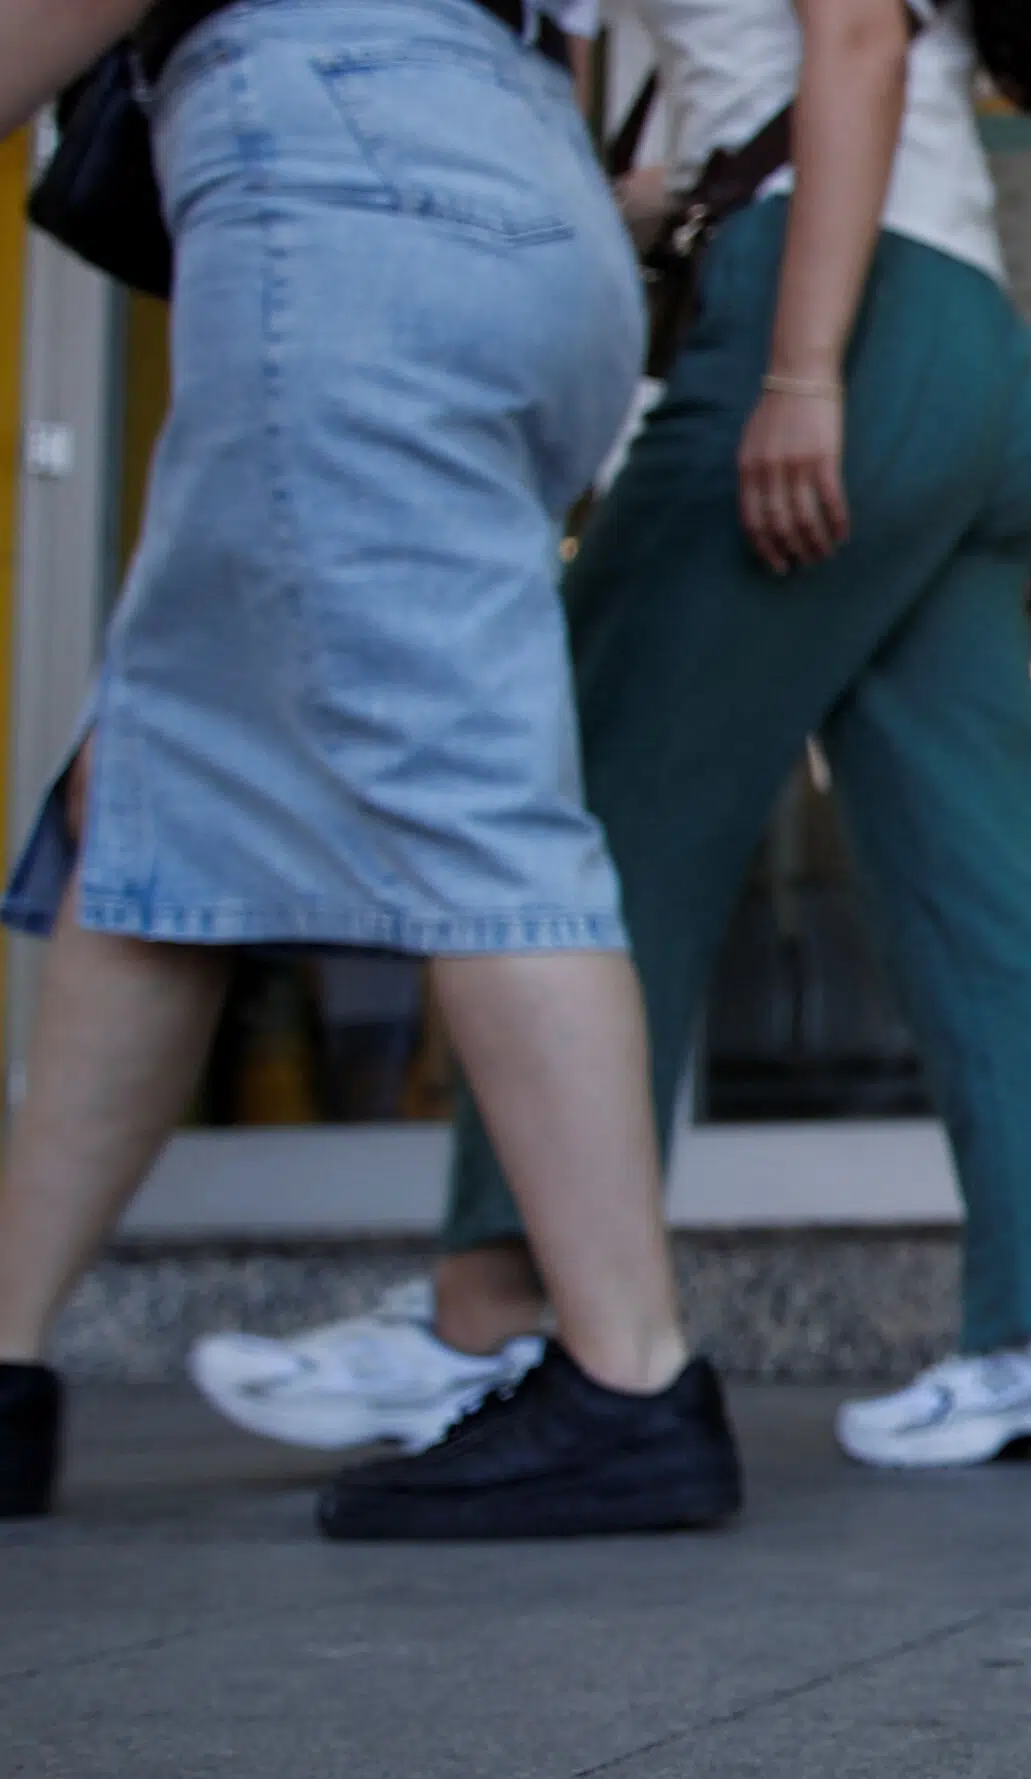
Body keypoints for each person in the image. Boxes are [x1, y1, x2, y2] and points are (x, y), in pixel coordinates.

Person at [190, 0, 1031, 1471]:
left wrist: (800, 372)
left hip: (831, 307)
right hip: (964, 340)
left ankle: (495, 1308)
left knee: (593, 801)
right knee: (975, 870)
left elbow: (856, 40)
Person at [0, 0, 741, 1534]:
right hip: (507, 182)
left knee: (464, 789)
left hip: (346, 184)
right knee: (160, 797)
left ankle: (630, 1378)